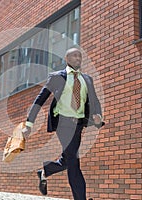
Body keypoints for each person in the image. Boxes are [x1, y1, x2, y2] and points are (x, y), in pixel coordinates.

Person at [22, 47, 104, 200]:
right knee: (74, 161)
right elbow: (40, 100)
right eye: (74, 55)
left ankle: (45, 171)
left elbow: (94, 99)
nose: (78, 58)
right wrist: (29, 124)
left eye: (79, 56)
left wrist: (97, 114)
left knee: (68, 159)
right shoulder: (57, 77)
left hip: (79, 124)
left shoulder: (87, 79)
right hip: (63, 123)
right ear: (67, 59)